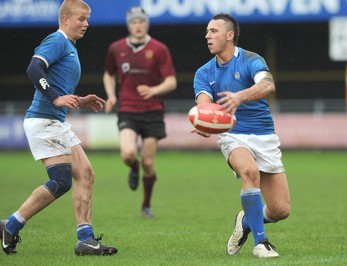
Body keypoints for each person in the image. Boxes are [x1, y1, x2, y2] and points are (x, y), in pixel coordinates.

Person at [0, 0, 117, 256]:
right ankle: (12, 224)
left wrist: (79, 101)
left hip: (55, 122)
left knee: (85, 173)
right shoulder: (57, 40)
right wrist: (55, 97)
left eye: (88, 19)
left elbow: (57, 84)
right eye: (81, 19)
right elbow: (34, 67)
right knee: (61, 181)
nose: (86, 24)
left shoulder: (69, 47)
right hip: (44, 121)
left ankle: (85, 239)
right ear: (65, 19)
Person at [192, 14, 291, 258]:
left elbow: (268, 85)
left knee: (280, 210)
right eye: (207, 31)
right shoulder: (204, 73)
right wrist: (204, 122)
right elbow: (204, 106)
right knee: (249, 172)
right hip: (232, 134)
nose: (207, 35)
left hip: (264, 134)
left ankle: (246, 222)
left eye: (214, 31)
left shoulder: (251, 60)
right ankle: (261, 243)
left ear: (229, 35)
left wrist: (239, 96)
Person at [103, 7, 177, 219]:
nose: (138, 25)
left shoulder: (159, 49)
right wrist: (111, 95)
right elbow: (108, 74)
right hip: (127, 109)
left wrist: (153, 90)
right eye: (134, 22)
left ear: (146, 24)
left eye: (141, 22)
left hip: (153, 111)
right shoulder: (116, 48)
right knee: (127, 154)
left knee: (149, 163)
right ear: (129, 24)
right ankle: (133, 167)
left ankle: (146, 205)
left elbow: (171, 81)